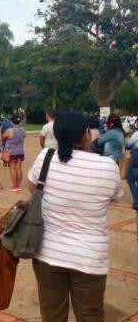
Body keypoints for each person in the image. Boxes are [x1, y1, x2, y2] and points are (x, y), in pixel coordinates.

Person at [27, 111, 123, 322]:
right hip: (89, 258)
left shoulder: (46, 158)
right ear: (86, 134)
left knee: (52, 315)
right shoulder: (107, 166)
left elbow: (32, 188)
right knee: (90, 316)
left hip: (47, 254)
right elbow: (112, 198)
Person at [2, 115, 26, 192]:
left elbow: (3, 137)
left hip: (11, 152)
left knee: (12, 168)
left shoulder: (9, 130)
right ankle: (18, 185)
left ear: (11, 122)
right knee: (19, 168)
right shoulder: (22, 130)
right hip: (20, 151)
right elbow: (23, 137)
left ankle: (14, 186)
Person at [126, 120, 138, 212]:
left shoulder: (136, 134)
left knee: (130, 179)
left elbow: (129, 145)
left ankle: (137, 202)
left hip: (136, 156)